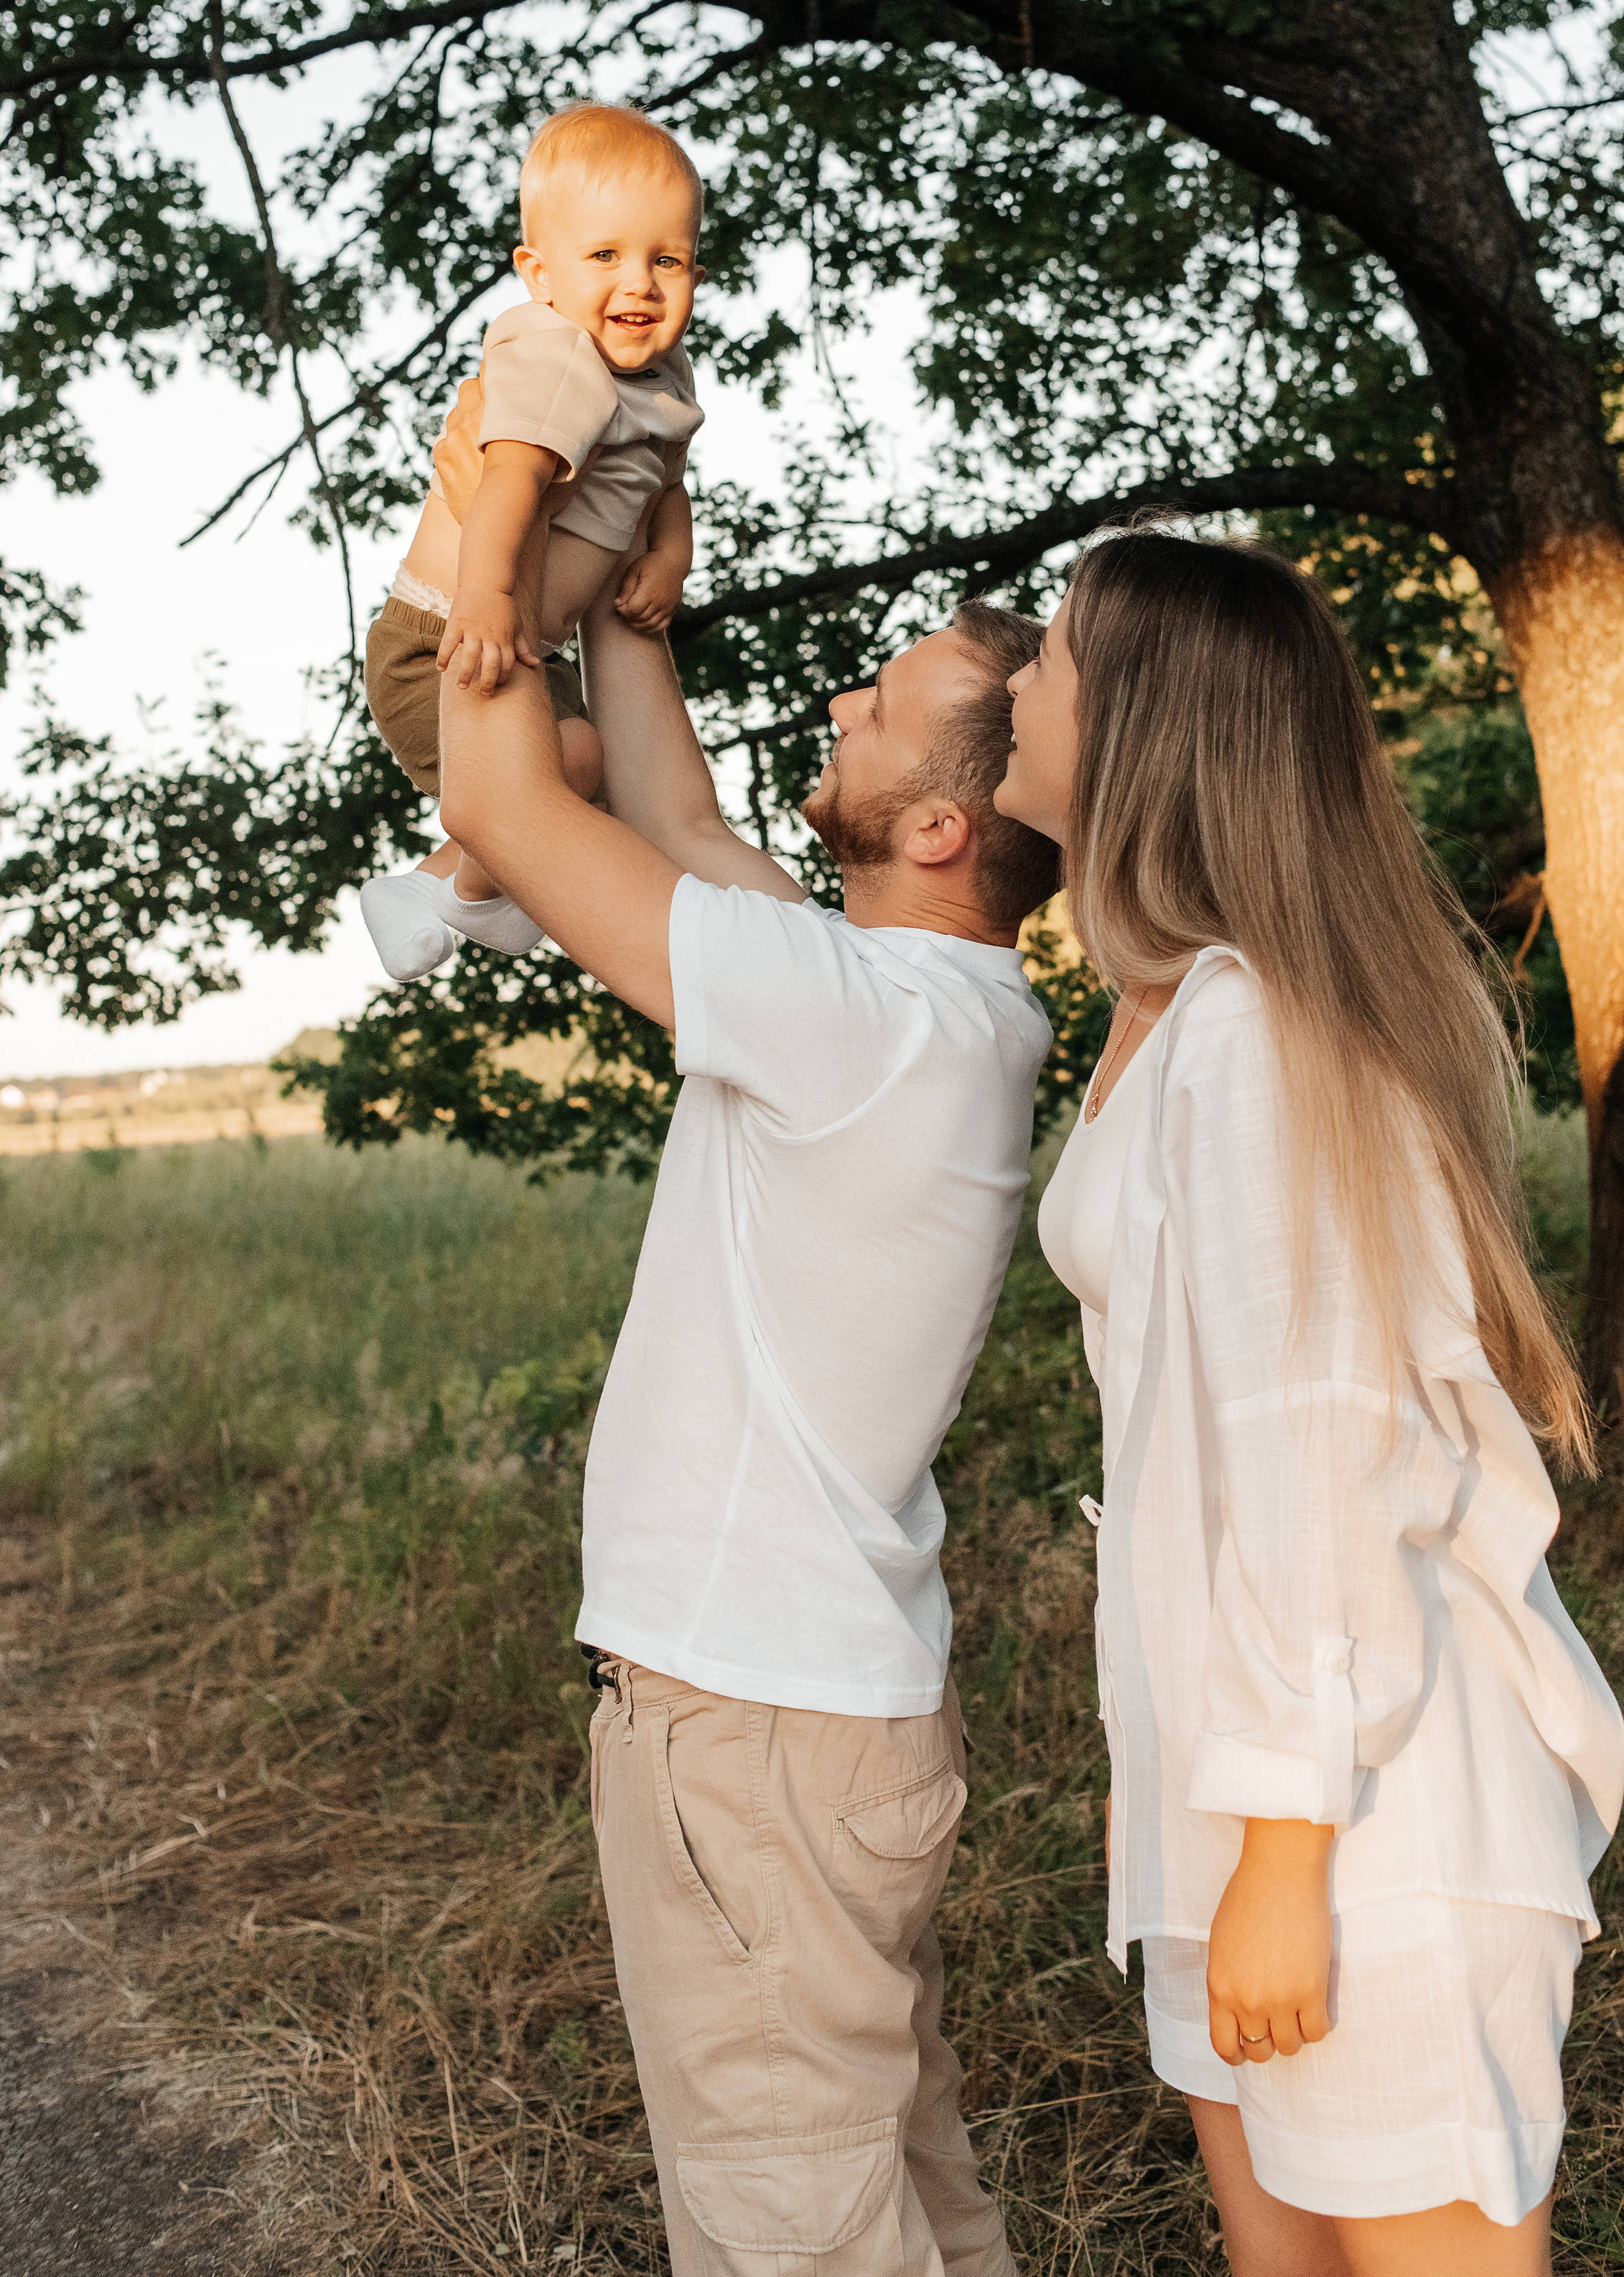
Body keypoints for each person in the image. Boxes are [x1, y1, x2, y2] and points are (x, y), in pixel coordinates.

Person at [997, 527, 1624, 2277]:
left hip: (1358, 1823)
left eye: (1048, 653)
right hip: (1237, 1792)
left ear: (1139, 723)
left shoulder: (1257, 1038)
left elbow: (1320, 1448)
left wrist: (1279, 1848)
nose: (1015, 682)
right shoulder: (1181, 1007)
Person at [438, 596, 1063, 2277]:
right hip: (826, 1718)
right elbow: (681, 822)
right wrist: (629, 612)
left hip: (754, 1732)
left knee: (795, 2230)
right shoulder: (925, 1002)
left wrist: (502, 522)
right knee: (893, 2194)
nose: (844, 696)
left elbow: (504, 804)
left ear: (938, 825)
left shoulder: (852, 1017)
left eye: (887, 701)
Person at [360, 101, 794, 980]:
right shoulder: (552, 353)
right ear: (539, 272)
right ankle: (446, 887)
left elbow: (664, 489)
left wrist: (671, 559)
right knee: (574, 767)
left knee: (581, 774)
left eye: (666, 260)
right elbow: (506, 488)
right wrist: (484, 599)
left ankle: (457, 889)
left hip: (529, 639)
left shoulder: (665, 380)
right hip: (445, 630)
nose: (640, 283)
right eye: (605, 256)